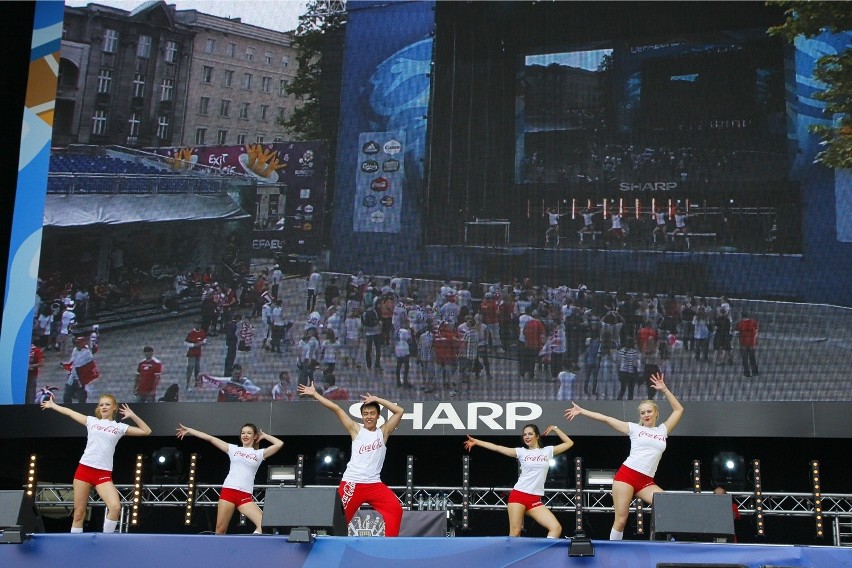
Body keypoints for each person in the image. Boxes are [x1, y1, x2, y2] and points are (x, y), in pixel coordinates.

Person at [564, 373, 684, 541]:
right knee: (621, 520)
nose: (646, 414)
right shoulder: (634, 429)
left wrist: (664, 390)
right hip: (626, 477)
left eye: (649, 411)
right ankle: (613, 552)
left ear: (656, 413)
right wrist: (582, 411)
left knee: (667, 504)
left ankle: (665, 541)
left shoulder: (662, 430)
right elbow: (606, 419)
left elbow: (679, 409)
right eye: (643, 413)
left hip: (646, 481)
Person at [297, 382, 405, 536]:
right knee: (338, 520)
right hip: (352, 484)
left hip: (374, 484)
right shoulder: (356, 429)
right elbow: (337, 409)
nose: (369, 417)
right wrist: (315, 394)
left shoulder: (383, 432)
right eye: (366, 414)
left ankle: (389, 545)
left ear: (378, 416)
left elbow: (399, 411)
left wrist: (377, 399)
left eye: (372, 413)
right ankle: (333, 549)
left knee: (395, 509)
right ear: (362, 416)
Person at [41, 394, 152, 532]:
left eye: (107, 404)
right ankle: (76, 547)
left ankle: (105, 541)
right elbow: (70, 412)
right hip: (84, 470)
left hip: (103, 474)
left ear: (114, 408)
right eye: (101, 404)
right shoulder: (92, 421)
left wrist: (132, 415)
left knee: (115, 507)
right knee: (79, 514)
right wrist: (53, 405)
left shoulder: (119, 427)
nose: (104, 407)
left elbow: (146, 431)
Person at [463, 424, 574, 538]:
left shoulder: (547, 451)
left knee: (556, 528)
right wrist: (476, 441)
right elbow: (498, 447)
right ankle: (511, 556)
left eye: (530, 434)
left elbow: (569, 443)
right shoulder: (521, 452)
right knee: (515, 533)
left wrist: (555, 428)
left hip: (534, 499)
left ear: (537, 436)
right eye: (525, 434)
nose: (527, 436)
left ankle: (544, 554)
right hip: (518, 495)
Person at [176, 423, 283, 534]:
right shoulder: (233, 449)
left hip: (245, 496)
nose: (245, 435)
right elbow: (210, 438)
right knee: (220, 530)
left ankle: (250, 543)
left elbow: (279, 444)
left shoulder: (259, 454)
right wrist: (190, 430)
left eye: (249, 433)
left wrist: (265, 436)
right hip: (229, 492)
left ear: (255, 436)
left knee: (263, 524)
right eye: (243, 433)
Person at [737, 311, 759, 377]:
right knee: (752, 358)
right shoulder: (753, 322)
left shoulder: (740, 323)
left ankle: (747, 372)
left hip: (743, 342)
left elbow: (738, 332)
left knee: (744, 358)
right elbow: (756, 330)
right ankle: (755, 371)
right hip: (752, 342)